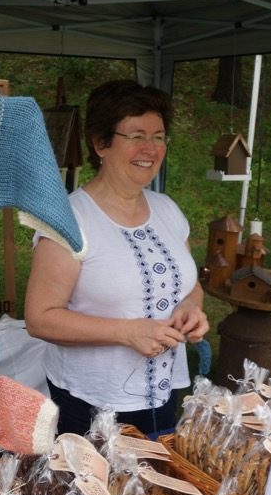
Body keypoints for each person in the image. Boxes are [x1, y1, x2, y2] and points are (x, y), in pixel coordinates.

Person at [24, 79, 209, 436]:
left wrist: (190, 308)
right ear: (100, 143)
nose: (150, 148)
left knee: (153, 488)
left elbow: (191, 286)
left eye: (158, 136)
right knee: (95, 490)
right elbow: (40, 319)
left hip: (164, 390)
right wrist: (127, 332)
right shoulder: (70, 220)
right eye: (136, 135)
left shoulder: (167, 208)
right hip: (92, 402)